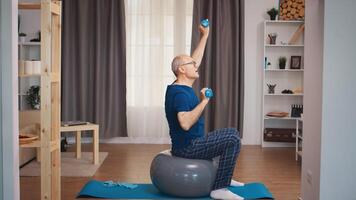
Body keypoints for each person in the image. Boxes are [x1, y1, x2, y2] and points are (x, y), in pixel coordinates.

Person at [164, 24, 244, 200]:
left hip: (192, 143)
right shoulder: (179, 94)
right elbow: (184, 123)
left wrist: (205, 35)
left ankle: (226, 179)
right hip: (188, 148)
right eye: (191, 64)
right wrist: (204, 101)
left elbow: (196, 59)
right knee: (231, 138)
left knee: (233, 133)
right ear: (182, 70)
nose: (196, 65)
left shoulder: (181, 85)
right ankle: (219, 189)